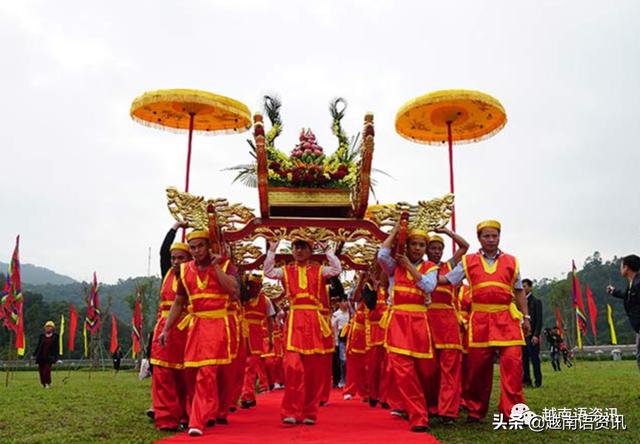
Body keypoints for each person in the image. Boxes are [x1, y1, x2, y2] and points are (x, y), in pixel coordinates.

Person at [441, 220, 531, 423]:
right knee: (477, 370)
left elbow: (518, 291)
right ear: (479, 239)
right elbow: (447, 279)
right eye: (486, 236)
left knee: (513, 366)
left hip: (506, 318)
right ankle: (475, 410)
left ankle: (513, 412)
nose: (491, 240)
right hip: (480, 321)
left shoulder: (511, 261)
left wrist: (526, 316)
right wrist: (420, 277)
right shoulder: (468, 261)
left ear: (499, 237)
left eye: (494, 236)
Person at [158, 229, 240, 437]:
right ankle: (204, 412)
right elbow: (179, 302)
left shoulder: (224, 265)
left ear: (209, 246)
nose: (196, 251)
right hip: (195, 326)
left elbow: (234, 291)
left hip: (217, 325)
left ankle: (196, 421)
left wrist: (216, 267)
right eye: (192, 247)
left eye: (200, 246)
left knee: (206, 373)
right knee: (192, 374)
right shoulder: (185, 270)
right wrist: (167, 328)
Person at [265, 237, 341, 426]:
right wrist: (272, 251)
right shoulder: (286, 270)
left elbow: (336, 270)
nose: (299, 251)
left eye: (303, 247)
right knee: (293, 367)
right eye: (296, 247)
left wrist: (328, 251)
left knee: (313, 371)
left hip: (314, 322)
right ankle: (290, 411)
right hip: (295, 321)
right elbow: (268, 272)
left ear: (310, 250)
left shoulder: (319, 270)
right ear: (291, 250)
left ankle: (310, 412)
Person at [377, 224, 439, 432]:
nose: (418, 248)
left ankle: (426, 406)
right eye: (414, 244)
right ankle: (418, 416)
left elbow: (429, 286)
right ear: (408, 245)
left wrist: (409, 267)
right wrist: (395, 231)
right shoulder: (394, 266)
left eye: (422, 245)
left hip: (420, 322)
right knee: (403, 371)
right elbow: (381, 255)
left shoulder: (431, 267)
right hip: (399, 322)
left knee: (427, 372)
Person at [424, 228, 468, 424]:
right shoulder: (422, 268)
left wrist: (446, 232)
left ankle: (448, 410)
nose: (436, 252)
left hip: (448, 320)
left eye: (439, 249)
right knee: (429, 368)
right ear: (426, 250)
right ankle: (430, 406)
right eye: (432, 248)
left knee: (450, 366)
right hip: (427, 319)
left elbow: (465, 246)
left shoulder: (449, 266)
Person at [149, 232, 192, 431]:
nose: (175, 262)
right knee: (161, 372)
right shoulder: (167, 272)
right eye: (173, 258)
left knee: (184, 375)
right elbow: (162, 253)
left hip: (186, 327)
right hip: (164, 328)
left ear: (189, 259)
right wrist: (175, 228)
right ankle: (166, 418)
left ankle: (185, 414)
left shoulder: (194, 275)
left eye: (180, 258)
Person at [240, 272, 276, 408]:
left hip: (255, 336)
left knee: (251, 366)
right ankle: (240, 396)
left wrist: (271, 338)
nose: (254, 289)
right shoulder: (243, 298)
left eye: (257, 286)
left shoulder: (265, 300)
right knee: (240, 367)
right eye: (251, 286)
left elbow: (270, 320)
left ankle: (247, 396)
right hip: (241, 333)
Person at [607, 254, 640, 371]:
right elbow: (628, 296)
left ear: (626, 268)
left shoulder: (638, 283)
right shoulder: (633, 283)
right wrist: (614, 292)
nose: (620, 269)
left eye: (621, 266)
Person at [343, 274, 370, 401]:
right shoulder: (356, 290)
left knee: (369, 364)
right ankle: (351, 389)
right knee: (354, 363)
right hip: (358, 332)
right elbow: (355, 297)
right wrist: (361, 281)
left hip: (374, 330)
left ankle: (368, 390)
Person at [521, 279, 543, 388]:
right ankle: (526, 380)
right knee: (524, 358)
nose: (523, 288)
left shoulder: (536, 302)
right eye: (522, 286)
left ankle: (538, 381)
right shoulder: (520, 302)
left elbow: (539, 320)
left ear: (530, 287)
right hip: (522, 335)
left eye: (525, 286)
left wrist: (536, 335)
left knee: (534, 358)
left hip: (532, 334)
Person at [33, 320, 60, 388]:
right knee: (41, 371)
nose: (48, 328)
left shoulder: (55, 336)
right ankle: (43, 384)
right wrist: (34, 354)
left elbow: (57, 347)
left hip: (50, 357)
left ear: (52, 328)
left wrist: (56, 357)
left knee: (47, 371)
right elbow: (38, 346)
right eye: (47, 327)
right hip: (41, 356)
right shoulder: (42, 336)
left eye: (50, 327)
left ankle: (48, 383)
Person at [331, 295, 350, 388]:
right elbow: (333, 329)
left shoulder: (350, 313)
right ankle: (342, 379)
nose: (346, 303)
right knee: (343, 360)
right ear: (339, 303)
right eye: (344, 301)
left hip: (350, 338)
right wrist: (335, 342)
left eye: (346, 301)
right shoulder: (336, 314)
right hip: (341, 339)